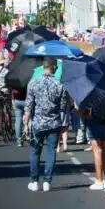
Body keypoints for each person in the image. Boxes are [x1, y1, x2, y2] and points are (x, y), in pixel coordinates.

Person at [23, 57, 68, 192]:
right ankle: (47, 181)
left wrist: (26, 124)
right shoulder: (59, 85)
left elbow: (28, 106)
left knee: (35, 151)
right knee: (51, 151)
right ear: (54, 67)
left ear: (44, 67)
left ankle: (34, 181)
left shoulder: (33, 83)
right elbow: (63, 106)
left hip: (37, 123)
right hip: (54, 122)